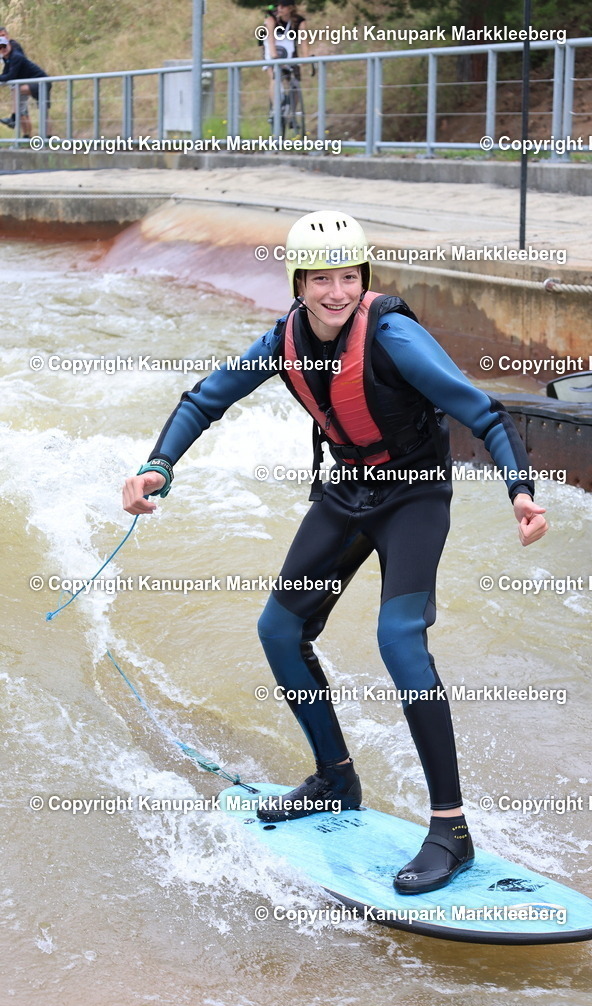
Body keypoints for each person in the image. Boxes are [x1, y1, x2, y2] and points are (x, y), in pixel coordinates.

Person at [122, 211, 548, 896]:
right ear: (298, 283)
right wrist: (157, 466)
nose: (336, 292)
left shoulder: (394, 338)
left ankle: (451, 830)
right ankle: (333, 779)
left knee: (399, 640)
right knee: (278, 629)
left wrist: (519, 490)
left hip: (412, 496)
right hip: (346, 492)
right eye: (321, 279)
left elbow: (485, 413)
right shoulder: (284, 339)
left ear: (362, 279)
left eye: (348, 277)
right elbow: (205, 400)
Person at [263, 0, 311, 110]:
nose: (279, 8)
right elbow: (270, 39)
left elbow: (304, 41)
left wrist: (306, 57)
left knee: (295, 83)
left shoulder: (299, 21)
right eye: (278, 5)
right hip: (271, 50)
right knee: (275, 78)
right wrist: (274, 56)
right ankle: (276, 111)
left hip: (289, 52)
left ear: (290, 8)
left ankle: (292, 113)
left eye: (283, 6)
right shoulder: (271, 18)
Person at [0, 35, 50, 137]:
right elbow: (5, 74)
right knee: (20, 101)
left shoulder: (16, 56)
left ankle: (14, 118)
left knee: (18, 91)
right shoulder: (8, 58)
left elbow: (10, 76)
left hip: (41, 82)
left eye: (4, 46)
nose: (3, 49)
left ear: (9, 44)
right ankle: (26, 135)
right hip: (32, 83)